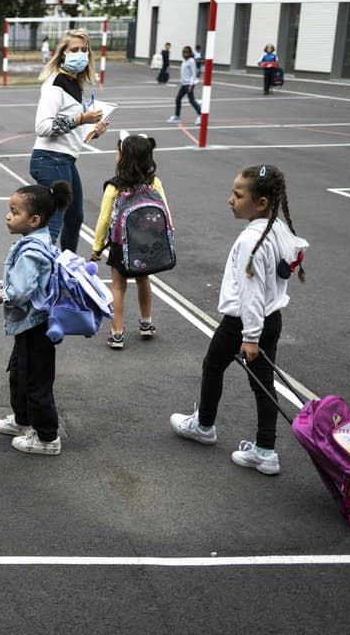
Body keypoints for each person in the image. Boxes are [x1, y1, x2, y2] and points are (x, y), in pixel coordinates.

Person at [170, 164, 309, 476]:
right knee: (263, 384)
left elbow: (251, 293)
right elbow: (291, 260)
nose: (230, 200)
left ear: (261, 203)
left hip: (244, 323)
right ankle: (265, 449)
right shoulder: (279, 229)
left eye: (237, 194)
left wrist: (250, 336)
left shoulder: (250, 240)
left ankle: (204, 426)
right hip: (271, 319)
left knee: (213, 366)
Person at [0, 181, 73, 456]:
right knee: (20, 372)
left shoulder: (31, 252)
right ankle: (23, 420)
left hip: (36, 325)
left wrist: (0, 294)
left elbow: (19, 292)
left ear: (34, 219)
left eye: (14, 211)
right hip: (30, 324)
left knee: (35, 380)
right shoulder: (36, 241)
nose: (8, 216)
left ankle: (46, 437)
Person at [30, 29, 111, 251]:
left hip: (64, 160)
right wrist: (81, 118)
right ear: (63, 53)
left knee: (74, 218)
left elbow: (72, 129)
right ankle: (37, 272)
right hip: (49, 160)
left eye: (84, 50)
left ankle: (66, 268)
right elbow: (43, 127)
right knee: (54, 223)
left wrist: (92, 130)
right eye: (74, 49)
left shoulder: (74, 84)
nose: (80, 54)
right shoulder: (55, 83)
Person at [90, 132, 167, 350]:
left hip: (120, 244)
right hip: (146, 243)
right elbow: (164, 211)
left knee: (117, 286)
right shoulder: (155, 183)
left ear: (123, 158)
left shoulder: (115, 186)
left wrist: (97, 247)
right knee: (143, 280)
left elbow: (104, 219)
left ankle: (116, 333)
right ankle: (146, 322)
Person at [168, 46, 202, 123]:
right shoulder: (184, 60)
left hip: (189, 84)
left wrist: (191, 85)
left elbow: (194, 74)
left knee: (192, 101)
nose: (184, 53)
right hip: (184, 84)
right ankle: (177, 116)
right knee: (178, 99)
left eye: (186, 52)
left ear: (190, 53)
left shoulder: (191, 61)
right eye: (183, 52)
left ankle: (201, 115)